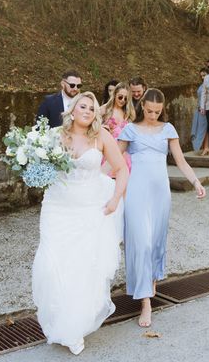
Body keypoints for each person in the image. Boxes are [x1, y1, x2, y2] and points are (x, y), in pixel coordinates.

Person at [32, 92, 128, 356]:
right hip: (56, 208)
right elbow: (37, 168)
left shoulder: (101, 137)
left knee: (82, 269)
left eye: (92, 108)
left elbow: (121, 169)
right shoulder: (53, 136)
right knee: (52, 265)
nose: (87, 110)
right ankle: (56, 318)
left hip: (89, 211)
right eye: (82, 106)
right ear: (72, 110)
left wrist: (115, 200)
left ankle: (73, 328)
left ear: (96, 114)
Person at [118, 89, 206, 328]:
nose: (153, 115)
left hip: (160, 194)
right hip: (136, 192)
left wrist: (196, 182)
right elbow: (114, 159)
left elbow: (180, 160)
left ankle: (152, 276)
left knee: (156, 240)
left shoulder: (168, 129)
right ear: (141, 106)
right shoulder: (130, 130)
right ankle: (145, 302)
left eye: (157, 111)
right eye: (149, 111)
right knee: (141, 242)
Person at [100, 82, 135, 175]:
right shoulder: (105, 109)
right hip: (108, 150)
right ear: (114, 95)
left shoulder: (129, 112)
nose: (123, 100)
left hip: (124, 152)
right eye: (120, 97)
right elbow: (91, 124)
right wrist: (101, 127)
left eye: (126, 98)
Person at [191, 67, 209, 156]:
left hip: (205, 110)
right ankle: (205, 147)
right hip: (199, 110)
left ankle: (206, 147)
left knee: (204, 129)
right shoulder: (202, 85)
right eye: (201, 76)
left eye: (204, 75)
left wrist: (204, 108)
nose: (202, 77)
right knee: (200, 129)